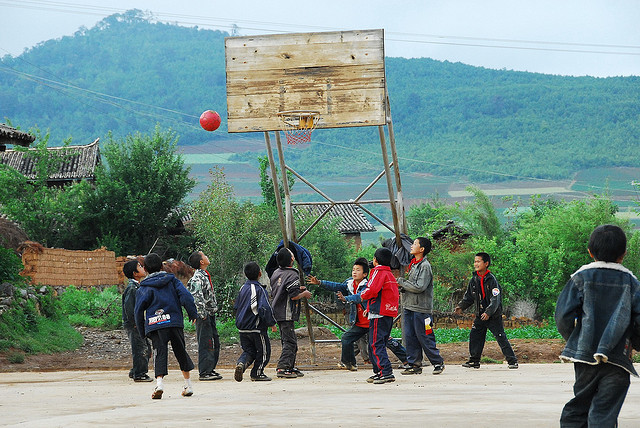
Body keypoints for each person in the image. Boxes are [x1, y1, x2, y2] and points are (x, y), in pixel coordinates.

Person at [555, 224, 640, 427]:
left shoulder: (580, 278)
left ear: (590, 252)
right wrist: (634, 344)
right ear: (624, 254)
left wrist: (575, 341)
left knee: (578, 409)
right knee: (604, 413)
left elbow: (563, 316)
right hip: (618, 358)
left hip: (585, 358)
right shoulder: (632, 284)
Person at [307, 257, 410, 371]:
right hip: (360, 322)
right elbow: (336, 286)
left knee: (386, 342)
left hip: (372, 320)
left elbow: (359, 297)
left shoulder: (367, 285)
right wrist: (320, 283)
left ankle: (406, 360)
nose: (354, 272)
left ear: (365, 274)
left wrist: (346, 298)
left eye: (358, 270)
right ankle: (350, 363)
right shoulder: (349, 283)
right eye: (353, 270)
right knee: (346, 338)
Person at [134, 253, 198, 399]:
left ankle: (159, 384)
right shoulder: (172, 281)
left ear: (145, 269)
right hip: (174, 322)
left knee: (159, 352)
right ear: (162, 266)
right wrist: (192, 313)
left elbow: (138, 311)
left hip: (156, 325)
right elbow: (186, 296)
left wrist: (142, 330)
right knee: (181, 351)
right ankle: (188, 385)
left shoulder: (143, 287)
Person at [454, 252, 518, 369]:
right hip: (480, 315)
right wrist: (461, 306)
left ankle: (512, 361)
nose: (476, 264)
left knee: (500, 336)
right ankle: (474, 360)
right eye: (475, 261)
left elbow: (495, 299)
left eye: (478, 261)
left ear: (486, 263)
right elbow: (469, 297)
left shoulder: (492, 280)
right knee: (475, 336)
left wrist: (489, 312)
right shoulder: (474, 279)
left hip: (493, 315)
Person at [397, 237, 445, 375]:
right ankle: (414, 364)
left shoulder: (425, 266)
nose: (411, 246)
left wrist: (401, 282)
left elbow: (419, 287)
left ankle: (438, 362)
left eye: (414, 244)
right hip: (409, 306)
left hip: (422, 310)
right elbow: (412, 286)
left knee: (425, 335)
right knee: (410, 336)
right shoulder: (414, 265)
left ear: (422, 249)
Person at [270, 247, 312, 378]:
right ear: (291, 259)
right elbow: (293, 296)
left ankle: (290, 366)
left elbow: (282, 289)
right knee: (290, 342)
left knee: (287, 340)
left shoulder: (276, 272)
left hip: (277, 311)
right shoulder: (293, 274)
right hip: (286, 312)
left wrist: (298, 288)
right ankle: (282, 367)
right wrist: (304, 293)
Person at [359, 247, 399, 384]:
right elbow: (383, 294)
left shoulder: (378, 271)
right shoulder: (390, 274)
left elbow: (372, 290)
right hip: (387, 313)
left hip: (379, 314)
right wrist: (369, 308)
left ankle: (385, 372)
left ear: (375, 260)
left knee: (376, 344)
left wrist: (362, 296)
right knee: (377, 343)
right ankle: (378, 372)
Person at [234, 261, 276, 382]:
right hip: (256, 328)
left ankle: (241, 364)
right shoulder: (260, 289)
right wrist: (271, 323)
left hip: (242, 327)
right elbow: (265, 308)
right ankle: (257, 373)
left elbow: (236, 306)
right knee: (264, 351)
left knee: (249, 351)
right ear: (259, 273)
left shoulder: (243, 288)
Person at [186, 251, 222, 381]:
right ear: (201, 262)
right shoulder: (197, 278)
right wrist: (201, 313)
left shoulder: (204, 276)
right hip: (204, 316)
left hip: (209, 314)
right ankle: (205, 371)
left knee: (214, 341)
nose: (207, 257)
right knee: (206, 342)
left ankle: (210, 369)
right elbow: (196, 297)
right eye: (204, 256)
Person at [121, 259, 152, 382]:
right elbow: (129, 308)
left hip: (138, 323)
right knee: (140, 348)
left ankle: (135, 370)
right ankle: (139, 373)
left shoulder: (137, 286)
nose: (143, 267)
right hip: (134, 324)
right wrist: (135, 324)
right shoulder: (132, 288)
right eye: (139, 266)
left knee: (145, 347)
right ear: (135, 273)